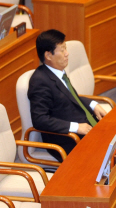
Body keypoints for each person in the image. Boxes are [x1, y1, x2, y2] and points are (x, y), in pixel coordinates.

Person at [28, 30, 107, 161]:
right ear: (48, 55)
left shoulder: (58, 72)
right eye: (62, 49)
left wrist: (93, 104)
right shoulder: (40, 81)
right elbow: (40, 119)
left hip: (87, 127)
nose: (67, 53)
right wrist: (76, 127)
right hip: (68, 139)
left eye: (66, 48)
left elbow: (71, 98)